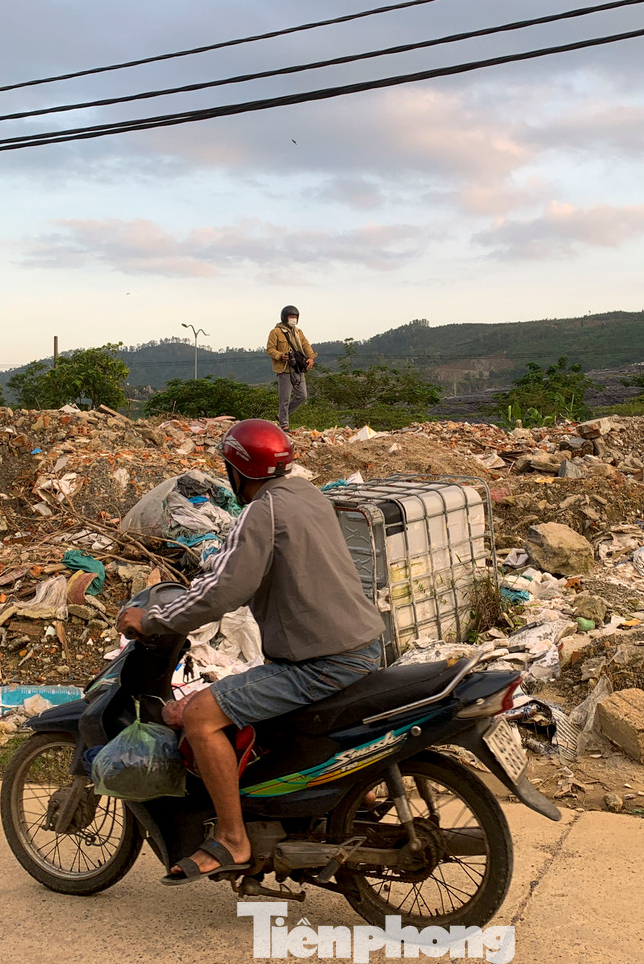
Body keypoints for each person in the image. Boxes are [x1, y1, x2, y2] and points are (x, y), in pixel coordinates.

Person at [117, 418, 385, 887]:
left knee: (200, 714)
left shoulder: (262, 512)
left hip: (317, 663)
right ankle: (338, 802)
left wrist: (156, 619)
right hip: (361, 644)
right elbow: (245, 568)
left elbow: (224, 591)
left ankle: (233, 839)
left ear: (237, 469)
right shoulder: (309, 496)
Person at [266, 304, 315, 430]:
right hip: (284, 369)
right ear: (284, 317)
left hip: (298, 368)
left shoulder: (298, 332)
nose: (293, 319)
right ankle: (284, 424)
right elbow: (270, 349)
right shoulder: (275, 332)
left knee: (302, 395)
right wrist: (280, 356)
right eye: (291, 316)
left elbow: (306, 345)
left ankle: (282, 415)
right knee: (285, 398)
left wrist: (311, 357)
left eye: (295, 316)